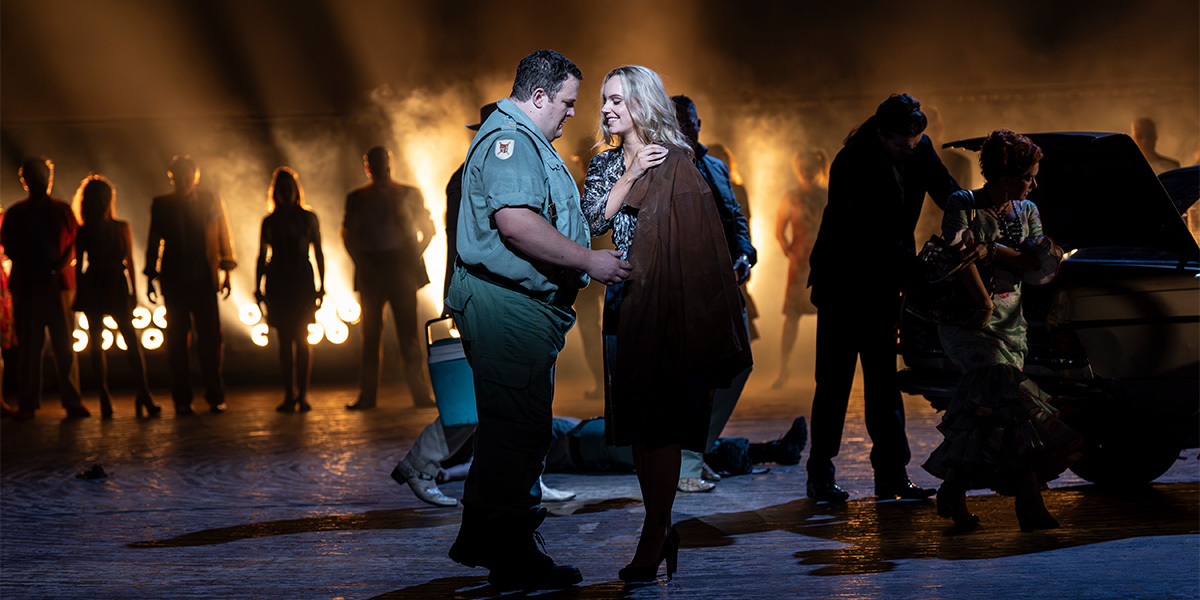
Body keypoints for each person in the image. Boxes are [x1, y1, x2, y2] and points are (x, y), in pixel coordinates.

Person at [444, 49, 629, 592]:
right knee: (520, 434)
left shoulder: (526, 142)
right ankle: (514, 559)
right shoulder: (511, 143)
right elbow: (517, 224)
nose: (574, 113)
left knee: (510, 429)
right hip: (506, 308)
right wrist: (591, 261)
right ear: (540, 95)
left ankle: (486, 543)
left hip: (519, 309)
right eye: (568, 102)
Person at [583, 66, 750, 584]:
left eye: (617, 100)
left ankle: (656, 530)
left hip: (668, 307)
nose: (607, 109)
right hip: (625, 304)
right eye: (603, 101)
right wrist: (630, 174)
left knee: (662, 423)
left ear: (642, 103)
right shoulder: (605, 163)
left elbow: (702, 244)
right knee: (638, 425)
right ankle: (660, 526)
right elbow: (591, 222)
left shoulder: (679, 161)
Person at [391, 103, 576, 508]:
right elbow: (468, 246)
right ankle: (421, 464)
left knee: (502, 402)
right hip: (484, 300)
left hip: (492, 299)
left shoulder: (487, 170)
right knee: (479, 403)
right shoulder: (472, 175)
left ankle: (526, 476)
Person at [805, 94, 959, 502]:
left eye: (914, 144)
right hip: (843, 283)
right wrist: (918, 271)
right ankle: (820, 473)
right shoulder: (852, 161)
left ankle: (891, 476)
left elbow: (947, 191)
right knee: (834, 383)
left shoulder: (919, 147)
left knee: (883, 384)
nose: (908, 151)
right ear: (880, 133)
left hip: (883, 284)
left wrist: (971, 216)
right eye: (900, 146)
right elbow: (870, 234)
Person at [923, 129, 1077, 532]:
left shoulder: (1026, 211)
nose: (1034, 183)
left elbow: (1036, 262)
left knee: (988, 416)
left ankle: (952, 488)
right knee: (1010, 403)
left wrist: (991, 249)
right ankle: (1029, 504)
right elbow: (960, 256)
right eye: (1029, 176)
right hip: (969, 324)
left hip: (1012, 325)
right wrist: (984, 301)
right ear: (1006, 176)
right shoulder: (963, 203)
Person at [671, 94, 758, 494]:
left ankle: (698, 451)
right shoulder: (662, 166)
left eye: (694, 123)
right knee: (694, 375)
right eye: (683, 124)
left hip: (724, 285)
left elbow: (736, 218)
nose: (691, 131)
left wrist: (746, 254)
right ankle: (687, 462)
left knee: (738, 364)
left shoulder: (715, 166)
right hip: (685, 288)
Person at [342, 146, 435, 410]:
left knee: (402, 333)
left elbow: (427, 229)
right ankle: (386, 395)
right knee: (378, 334)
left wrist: (413, 253)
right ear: (370, 167)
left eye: (380, 163)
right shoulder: (363, 197)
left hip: (392, 266)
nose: (379, 168)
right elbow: (348, 236)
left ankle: (401, 394)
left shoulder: (390, 195)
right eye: (375, 163)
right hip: (381, 266)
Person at [145, 156, 236, 415]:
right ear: (172, 176)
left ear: (195, 176)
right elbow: (154, 240)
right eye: (180, 175)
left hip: (202, 279)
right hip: (176, 280)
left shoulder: (210, 199)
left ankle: (213, 394)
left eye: (189, 175)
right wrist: (151, 275)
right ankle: (183, 398)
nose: (185, 180)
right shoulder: (162, 205)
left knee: (210, 339)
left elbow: (223, 235)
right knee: (177, 341)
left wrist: (226, 271)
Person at [0, 156, 87, 419]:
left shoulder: (22, 212)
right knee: (38, 346)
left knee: (52, 345)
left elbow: (71, 245)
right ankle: (51, 402)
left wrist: (49, 269)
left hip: (43, 284)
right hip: (46, 284)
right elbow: (71, 245)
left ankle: (51, 402)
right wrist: (53, 269)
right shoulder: (55, 211)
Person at [72, 175, 159, 418]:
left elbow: (129, 260)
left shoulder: (119, 227)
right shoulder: (87, 231)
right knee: (98, 342)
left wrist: (134, 292)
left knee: (129, 341)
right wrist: (81, 293)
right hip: (98, 283)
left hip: (112, 283)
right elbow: (79, 266)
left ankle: (142, 392)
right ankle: (104, 393)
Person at [254, 167, 325, 413]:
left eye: (288, 188)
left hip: (297, 283)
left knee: (300, 340)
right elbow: (261, 256)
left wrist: (321, 286)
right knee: (287, 341)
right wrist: (258, 286)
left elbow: (318, 253)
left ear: (295, 191)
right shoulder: (274, 221)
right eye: (282, 189)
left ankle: (299, 395)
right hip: (284, 283)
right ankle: (291, 394)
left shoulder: (304, 218)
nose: (285, 193)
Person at [772, 148, 829, 390]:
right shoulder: (791, 196)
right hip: (800, 262)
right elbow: (779, 229)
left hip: (826, 261)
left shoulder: (829, 194)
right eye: (804, 168)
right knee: (792, 317)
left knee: (827, 316)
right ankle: (784, 370)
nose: (807, 173)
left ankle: (825, 370)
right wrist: (787, 248)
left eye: (811, 169)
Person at [707, 143, 760, 341]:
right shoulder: (702, 189)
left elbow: (745, 224)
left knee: (737, 308)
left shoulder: (737, 190)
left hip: (732, 255)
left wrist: (746, 255)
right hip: (714, 257)